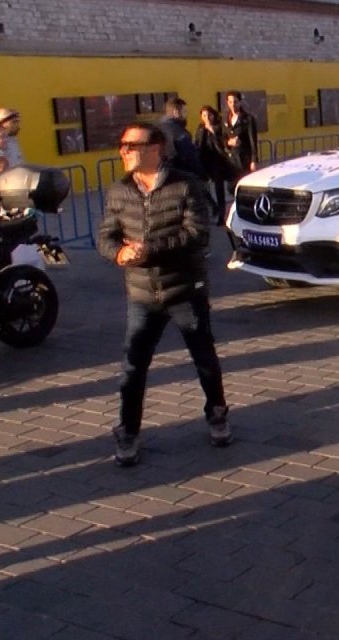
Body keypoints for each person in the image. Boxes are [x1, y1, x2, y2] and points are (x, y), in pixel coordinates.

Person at [96, 122, 231, 467]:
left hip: (185, 289)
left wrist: (149, 249)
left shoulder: (186, 185)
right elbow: (105, 235)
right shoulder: (119, 191)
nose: (124, 151)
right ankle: (128, 432)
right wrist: (117, 253)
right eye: (122, 145)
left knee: (203, 357)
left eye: (132, 144)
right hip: (142, 293)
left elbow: (197, 235)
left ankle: (217, 414)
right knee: (132, 368)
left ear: (155, 148)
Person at [194, 105, 233, 217]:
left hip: (217, 161)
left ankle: (221, 213)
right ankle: (212, 206)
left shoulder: (219, 127)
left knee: (218, 189)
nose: (207, 118)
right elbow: (197, 143)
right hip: (204, 161)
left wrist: (212, 130)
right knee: (202, 187)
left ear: (214, 115)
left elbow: (223, 144)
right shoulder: (200, 128)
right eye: (204, 115)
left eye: (209, 115)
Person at [157, 97, 204, 178]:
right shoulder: (179, 132)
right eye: (184, 111)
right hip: (181, 176)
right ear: (176, 112)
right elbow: (190, 157)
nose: (186, 115)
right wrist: (201, 174)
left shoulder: (155, 129)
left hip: (160, 175)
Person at [223, 91, 259, 181]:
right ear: (227, 103)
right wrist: (228, 142)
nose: (233, 105)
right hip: (231, 159)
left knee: (245, 182)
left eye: (235, 102)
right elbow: (223, 138)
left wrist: (253, 160)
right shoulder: (225, 119)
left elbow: (252, 140)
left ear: (240, 102)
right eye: (230, 102)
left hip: (244, 158)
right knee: (231, 186)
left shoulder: (248, 119)